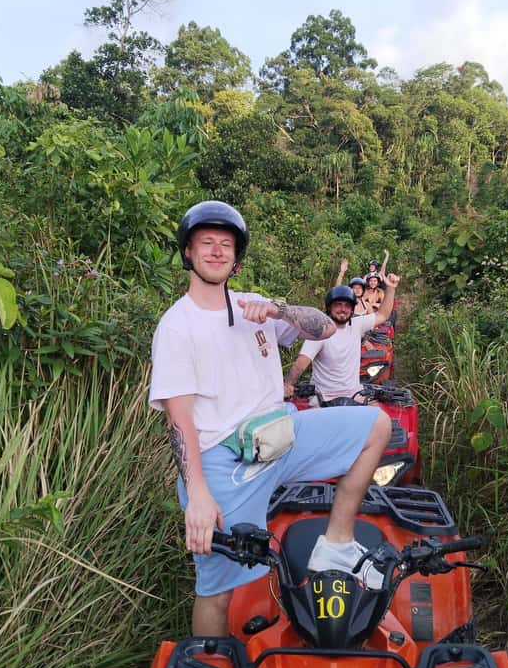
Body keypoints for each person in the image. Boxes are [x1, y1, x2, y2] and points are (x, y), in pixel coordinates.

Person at [149, 201, 392, 636]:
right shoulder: (176, 326)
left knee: (376, 425)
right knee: (216, 590)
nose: (217, 251)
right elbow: (179, 421)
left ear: (237, 258)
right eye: (207, 242)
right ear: (188, 252)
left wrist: (280, 310)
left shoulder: (253, 306)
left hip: (282, 436)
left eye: (226, 245)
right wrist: (198, 494)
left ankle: (335, 545)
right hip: (226, 464)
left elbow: (325, 328)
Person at [284, 272, 400, 405]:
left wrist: (391, 288)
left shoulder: (357, 325)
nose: (342, 309)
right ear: (329, 307)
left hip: (354, 394)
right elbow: (301, 364)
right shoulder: (319, 332)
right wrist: (288, 384)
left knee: (381, 420)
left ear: (352, 309)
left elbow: (383, 315)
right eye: (338, 305)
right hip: (324, 398)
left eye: (347, 306)